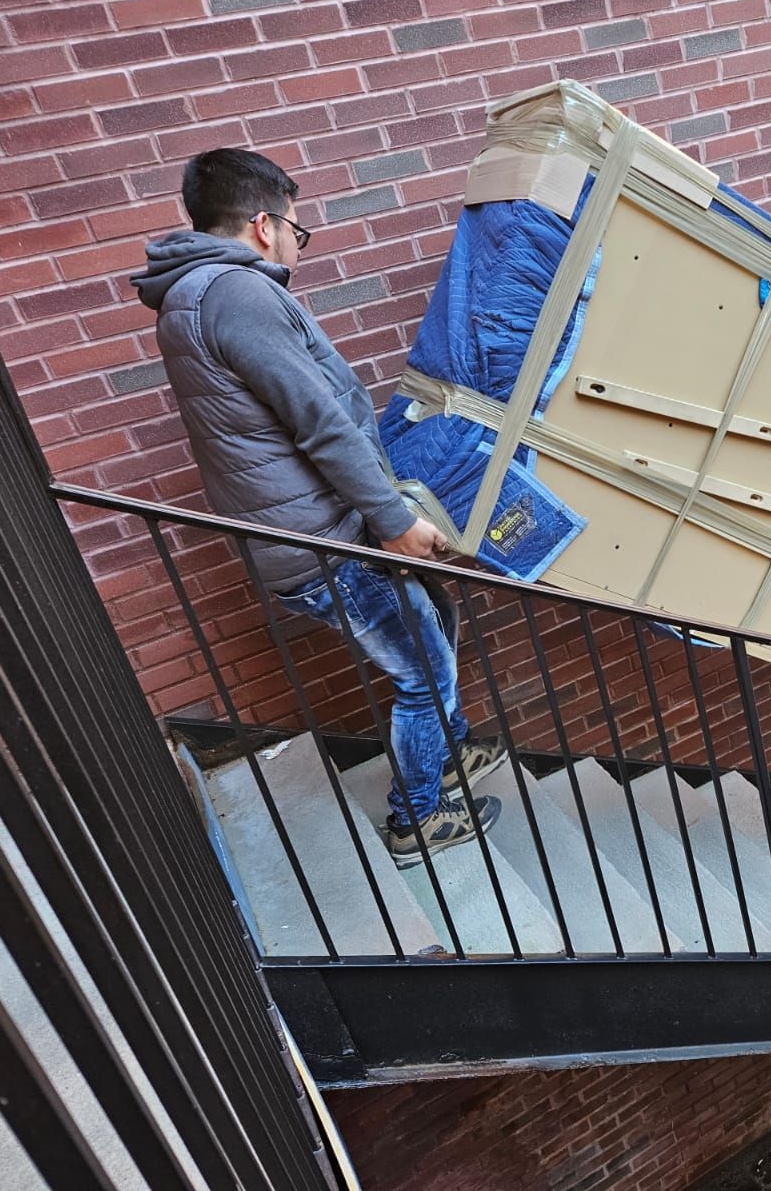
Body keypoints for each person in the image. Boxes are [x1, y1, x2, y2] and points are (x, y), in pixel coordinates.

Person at [133, 148, 505, 870]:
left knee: (434, 618)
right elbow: (319, 421)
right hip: (322, 542)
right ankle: (417, 820)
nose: (295, 248)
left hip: (310, 529)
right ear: (265, 225)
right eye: (299, 232)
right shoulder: (236, 294)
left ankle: (450, 749)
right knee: (423, 670)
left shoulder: (189, 295)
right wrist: (393, 522)